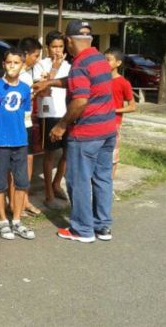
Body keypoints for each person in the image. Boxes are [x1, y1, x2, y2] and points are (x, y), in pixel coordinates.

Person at [34, 20, 116, 242]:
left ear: (69, 41)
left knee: (78, 180)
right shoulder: (99, 59)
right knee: (102, 179)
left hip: (86, 133)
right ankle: (102, 226)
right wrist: (50, 83)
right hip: (107, 130)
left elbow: (80, 100)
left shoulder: (79, 64)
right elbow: (76, 81)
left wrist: (61, 125)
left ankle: (82, 229)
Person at [0, 48, 36, 240]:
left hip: (20, 142)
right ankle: (3, 221)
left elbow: (25, 115)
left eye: (16, 63)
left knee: (22, 183)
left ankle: (17, 220)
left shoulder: (25, 89)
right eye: (9, 62)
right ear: (3, 65)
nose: (12, 66)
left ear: (22, 65)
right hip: (0, 143)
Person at [33, 31, 71, 209]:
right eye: (54, 46)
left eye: (60, 46)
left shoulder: (70, 66)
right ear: (47, 48)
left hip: (67, 113)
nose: (57, 50)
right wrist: (54, 68)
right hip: (49, 114)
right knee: (50, 154)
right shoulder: (41, 65)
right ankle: (48, 194)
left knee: (68, 152)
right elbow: (41, 90)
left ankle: (56, 184)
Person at [15, 37, 43, 217]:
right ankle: (15, 202)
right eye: (35, 55)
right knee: (17, 164)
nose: (37, 59)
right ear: (26, 54)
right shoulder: (16, 74)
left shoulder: (28, 73)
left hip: (28, 122)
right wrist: (36, 91)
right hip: (18, 123)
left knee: (29, 160)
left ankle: (25, 200)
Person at [104, 47, 136, 179]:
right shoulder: (100, 80)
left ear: (118, 63)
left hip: (114, 123)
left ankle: (109, 183)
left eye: (108, 60)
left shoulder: (124, 83)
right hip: (98, 122)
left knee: (112, 155)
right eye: (103, 60)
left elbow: (132, 107)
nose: (105, 63)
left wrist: (114, 110)